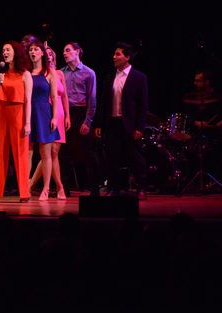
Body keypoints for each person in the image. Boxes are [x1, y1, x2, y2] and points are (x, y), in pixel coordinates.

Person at [94, 42, 148, 200]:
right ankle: (114, 188)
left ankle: (142, 188)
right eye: (114, 54)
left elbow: (143, 105)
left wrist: (140, 127)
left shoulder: (139, 77)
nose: (114, 57)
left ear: (127, 57)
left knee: (135, 157)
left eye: (118, 54)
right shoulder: (111, 76)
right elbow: (104, 102)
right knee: (112, 158)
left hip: (130, 124)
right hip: (112, 123)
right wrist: (99, 124)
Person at [0, 41, 33, 203]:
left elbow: (28, 100)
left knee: (20, 153)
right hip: (0, 111)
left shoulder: (25, 74)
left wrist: (27, 123)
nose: (5, 52)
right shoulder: (1, 72)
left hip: (18, 112)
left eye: (8, 50)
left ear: (16, 52)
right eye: (3, 50)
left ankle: (24, 193)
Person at [58, 42, 100, 197]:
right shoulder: (61, 72)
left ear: (77, 52)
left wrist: (87, 122)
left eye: (68, 50)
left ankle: (94, 189)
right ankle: (64, 189)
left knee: (87, 152)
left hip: (81, 113)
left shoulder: (89, 73)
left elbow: (92, 98)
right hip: (65, 114)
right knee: (64, 152)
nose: (64, 53)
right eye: (63, 51)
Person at [29, 45, 70, 199]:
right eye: (47, 54)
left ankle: (37, 184)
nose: (49, 56)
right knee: (50, 152)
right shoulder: (37, 74)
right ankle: (58, 187)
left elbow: (63, 96)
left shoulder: (57, 73)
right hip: (42, 111)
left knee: (53, 152)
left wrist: (67, 116)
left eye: (51, 54)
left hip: (56, 112)